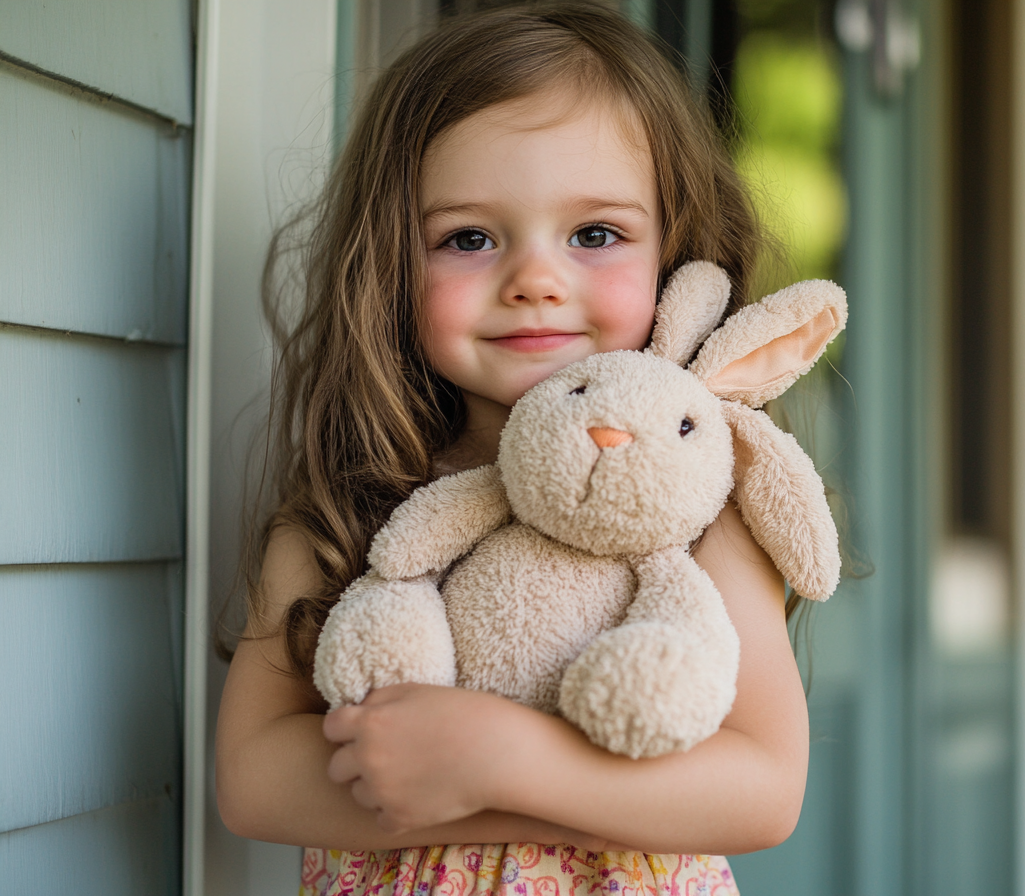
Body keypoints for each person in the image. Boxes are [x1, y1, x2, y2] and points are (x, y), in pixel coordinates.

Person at [214, 4, 809, 894]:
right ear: (390, 267)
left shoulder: (699, 509)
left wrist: (506, 767)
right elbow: (252, 781)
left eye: (594, 234)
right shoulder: (351, 507)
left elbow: (763, 789)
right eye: (469, 238)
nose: (535, 279)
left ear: (672, 255)